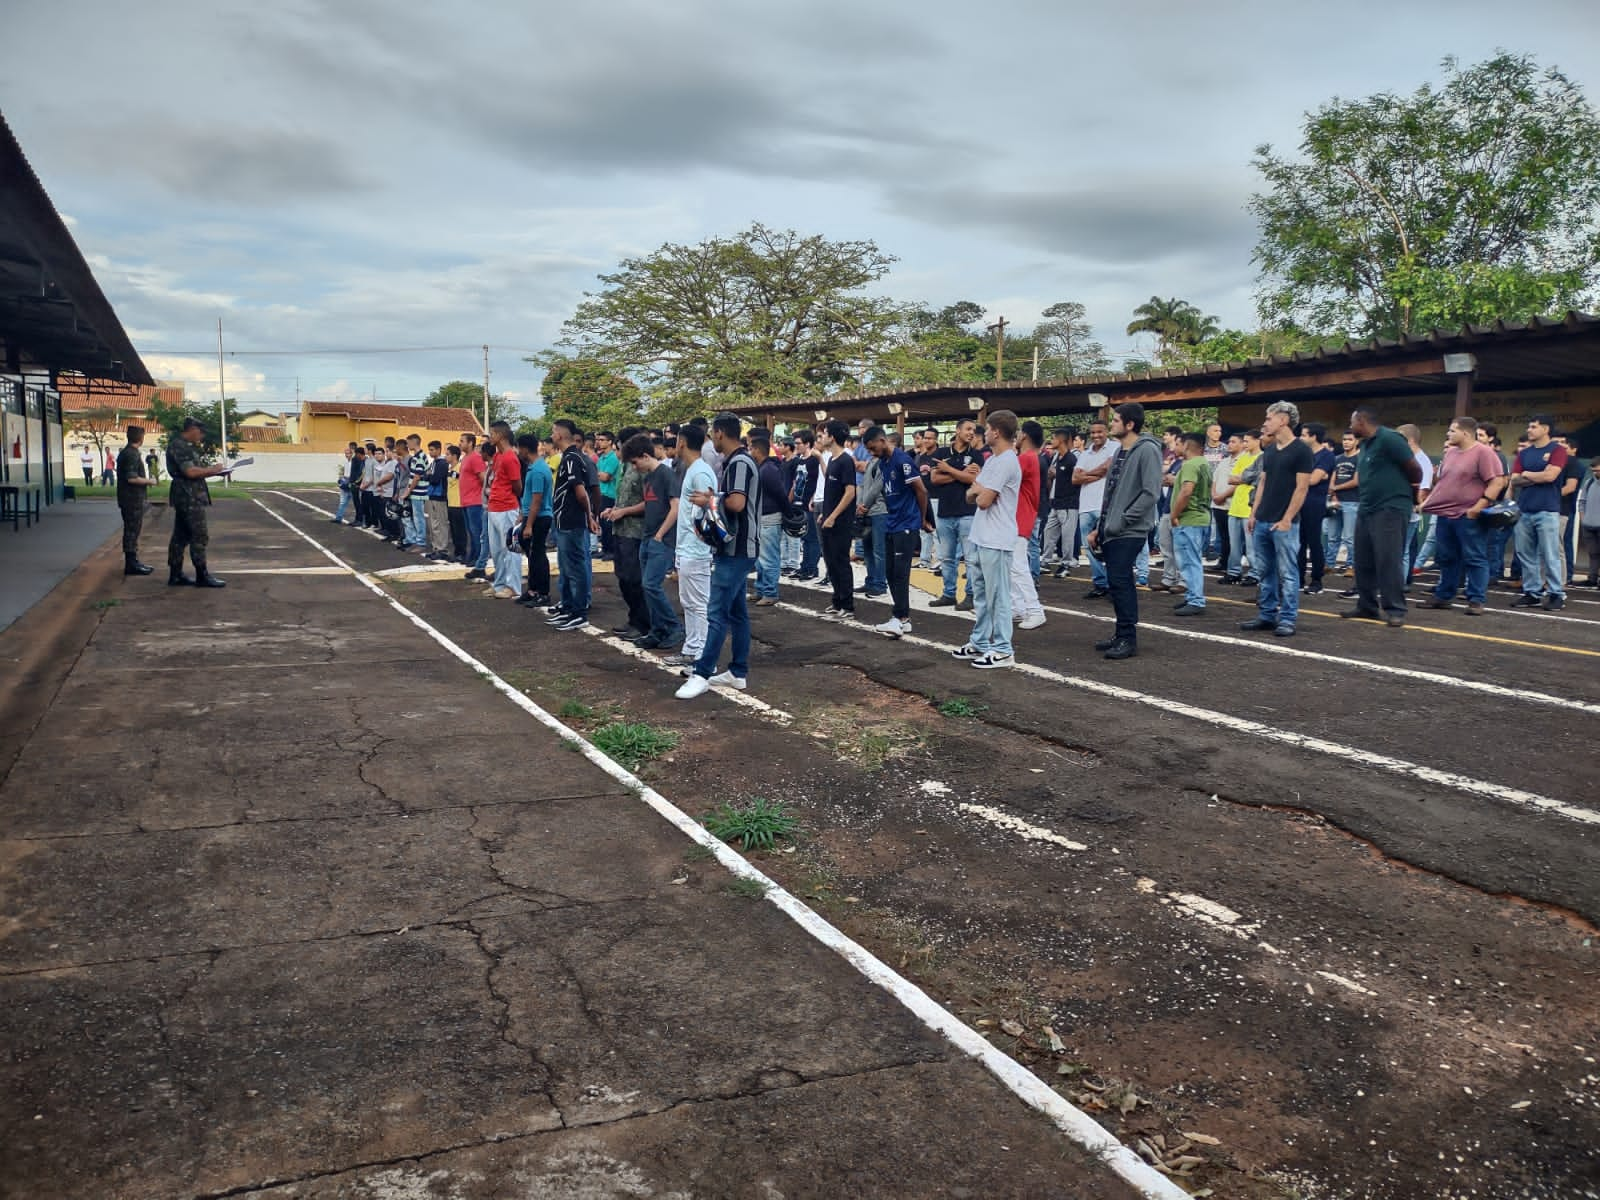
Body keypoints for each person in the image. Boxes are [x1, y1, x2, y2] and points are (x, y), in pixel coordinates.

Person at [677, 413, 761, 698]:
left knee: (716, 612)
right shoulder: (739, 461)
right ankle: (738, 672)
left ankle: (702, 672)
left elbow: (736, 503)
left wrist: (710, 499)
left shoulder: (739, 462)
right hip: (737, 547)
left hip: (737, 549)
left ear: (721, 433)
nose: (711, 438)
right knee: (737, 613)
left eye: (713, 433)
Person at [1088, 403, 1162, 660]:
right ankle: (1121, 634)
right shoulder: (1122, 451)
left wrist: (1122, 521)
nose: (1112, 424)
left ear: (1130, 424)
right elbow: (1111, 495)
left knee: (1121, 581)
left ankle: (1128, 638)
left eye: (1116, 420)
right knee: (1117, 583)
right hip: (1113, 527)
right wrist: (1101, 527)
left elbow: (1150, 493)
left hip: (1129, 530)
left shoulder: (1148, 451)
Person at [950, 409, 1021, 669]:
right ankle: (980, 641)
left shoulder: (1007, 462)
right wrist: (979, 490)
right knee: (980, 594)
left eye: (987, 429)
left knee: (998, 596)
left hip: (997, 538)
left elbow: (981, 500)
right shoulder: (992, 461)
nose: (983, 433)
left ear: (997, 432)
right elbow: (972, 493)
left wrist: (979, 490)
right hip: (981, 537)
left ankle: (1003, 648)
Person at [1341, 406, 1421, 627]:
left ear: (1363, 421)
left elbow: (1414, 468)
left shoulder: (1390, 438)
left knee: (1388, 559)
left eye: (1352, 422)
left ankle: (1395, 609)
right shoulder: (1366, 444)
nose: (1350, 426)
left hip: (1390, 508)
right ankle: (1366, 606)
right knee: (1363, 559)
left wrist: (1412, 492)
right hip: (1367, 507)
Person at [1239, 402, 1313, 638]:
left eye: (1269, 418)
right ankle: (1267, 615)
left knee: (1288, 573)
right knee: (1265, 571)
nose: (1265, 422)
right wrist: (1253, 514)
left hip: (1284, 524)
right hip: (1262, 520)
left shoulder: (1301, 450)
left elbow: (1302, 488)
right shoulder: (1269, 450)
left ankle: (1288, 618)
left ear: (1283, 420)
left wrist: (1287, 519)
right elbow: (1263, 482)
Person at [1418, 416, 1504, 616]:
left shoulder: (1484, 453)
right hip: (1445, 514)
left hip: (1468, 515)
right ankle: (1444, 596)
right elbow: (1443, 481)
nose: (1448, 434)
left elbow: (1497, 482)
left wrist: (1478, 507)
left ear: (1465, 433)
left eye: (1451, 431)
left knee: (1474, 557)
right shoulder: (1450, 454)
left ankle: (1476, 600)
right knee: (1447, 557)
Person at [864, 425, 931, 638]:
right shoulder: (883, 463)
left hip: (906, 524)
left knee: (901, 573)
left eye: (873, 447)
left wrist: (921, 518)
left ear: (882, 441)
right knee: (890, 571)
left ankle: (900, 617)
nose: (871, 452)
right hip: (892, 522)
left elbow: (921, 490)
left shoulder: (902, 461)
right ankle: (903, 618)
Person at [627, 434, 683, 650]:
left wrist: (660, 534)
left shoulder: (666, 474)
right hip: (648, 537)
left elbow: (675, 507)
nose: (634, 467)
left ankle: (674, 627)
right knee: (647, 586)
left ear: (645, 455)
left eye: (635, 462)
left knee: (651, 584)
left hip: (662, 539)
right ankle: (658, 629)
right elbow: (648, 504)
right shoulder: (649, 477)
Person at [668, 425, 717, 667]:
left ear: (682, 443)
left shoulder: (700, 472)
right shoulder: (693, 470)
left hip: (697, 549)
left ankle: (702, 654)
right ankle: (692, 648)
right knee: (689, 602)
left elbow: (710, 510)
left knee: (698, 603)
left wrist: (701, 544)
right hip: (687, 547)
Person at [1508, 414, 1569, 611]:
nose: (1529, 430)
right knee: (1526, 555)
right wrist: (1537, 476)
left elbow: (1551, 476)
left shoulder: (1558, 450)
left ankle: (1556, 594)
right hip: (1524, 510)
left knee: (1550, 555)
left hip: (1547, 510)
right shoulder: (1524, 454)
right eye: (1529, 426)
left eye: (1533, 426)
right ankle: (1532, 593)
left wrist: (1527, 474)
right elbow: (1515, 479)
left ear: (1545, 429)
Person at [599, 425, 652, 638]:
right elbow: (624, 498)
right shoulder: (626, 467)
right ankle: (634, 619)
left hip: (635, 531)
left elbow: (650, 502)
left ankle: (643, 623)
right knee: (623, 578)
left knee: (634, 579)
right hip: (620, 530)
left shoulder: (642, 469)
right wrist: (615, 510)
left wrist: (624, 512)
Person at [165, 417, 231, 588]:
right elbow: (191, 472)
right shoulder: (180, 446)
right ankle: (202, 575)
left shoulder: (184, 446)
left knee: (181, 536)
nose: (201, 436)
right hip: (189, 496)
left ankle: (176, 574)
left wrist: (215, 472)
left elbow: (195, 470)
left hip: (187, 495)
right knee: (199, 535)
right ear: (192, 429)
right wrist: (213, 470)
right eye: (200, 432)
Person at [547, 419, 600, 630]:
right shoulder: (569, 458)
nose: (551, 436)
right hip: (564, 520)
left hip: (571, 521)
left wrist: (589, 515)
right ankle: (569, 607)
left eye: (553, 432)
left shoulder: (571, 459)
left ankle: (579, 613)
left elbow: (580, 491)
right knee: (567, 567)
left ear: (559, 435)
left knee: (576, 567)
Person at [928, 420, 984, 610]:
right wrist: (961, 474)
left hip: (968, 513)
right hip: (945, 513)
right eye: (968, 429)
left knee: (971, 558)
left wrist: (949, 470)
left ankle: (970, 595)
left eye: (974, 431)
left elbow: (974, 479)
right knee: (947, 558)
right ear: (957, 430)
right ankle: (949, 594)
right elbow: (934, 479)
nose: (971, 433)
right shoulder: (941, 453)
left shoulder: (976, 455)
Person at [816, 420, 858, 620]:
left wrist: (833, 516)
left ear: (832, 437)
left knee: (841, 561)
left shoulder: (845, 460)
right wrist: (826, 513)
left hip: (841, 521)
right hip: (829, 518)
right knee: (830, 561)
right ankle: (837, 600)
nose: (821, 437)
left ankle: (847, 605)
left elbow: (850, 492)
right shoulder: (832, 460)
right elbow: (831, 490)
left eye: (824, 434)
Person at [1169, 432, 1212, 616]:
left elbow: (1186, 491)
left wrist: (1174, 514)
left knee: (1189, 561)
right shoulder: (1204, 464)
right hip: (1201, 516)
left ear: (1186, 445)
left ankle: (1195, 599)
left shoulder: (1191, 465)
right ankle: (1192, 596)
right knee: (1192, 560)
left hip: (1189, 518)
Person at [1010, 420, 1047, 630]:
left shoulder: (1026, 458)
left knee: (1018, 567)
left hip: (1020, 518)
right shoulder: (1029, 457)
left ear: (1024, 436)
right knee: (1012, 567)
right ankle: (1020, 607)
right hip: (1019, 517)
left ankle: (1034, 610)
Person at [1073, 420, 1116, 598]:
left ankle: (1115, 585)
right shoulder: (1086, 452)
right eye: (1093, 432)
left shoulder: (1115, 447)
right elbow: (1075, 479)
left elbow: (1109, 467)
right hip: (1085, 506)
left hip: (1103, 504)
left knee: (1109, 546)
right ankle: (1100, 583)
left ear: (1106, 432)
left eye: (1100, 432)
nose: (1096, 435)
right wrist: (1097, 474)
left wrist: (1086, 475)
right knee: (1089, 548)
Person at [482, 421, 523, 600]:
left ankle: (513, 586)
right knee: (497, 550)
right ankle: (499, 583)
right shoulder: (499, 456)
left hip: (507, 507)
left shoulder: (510, 457)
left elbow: (517, 485)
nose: (490, 436)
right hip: (495, 506)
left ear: (501, 435)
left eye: (492, 433)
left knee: (511, 549)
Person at [514, 434, 552, 607]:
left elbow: (537, 499)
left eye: (518, 448)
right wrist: (523, 516)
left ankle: (542, 593)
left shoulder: (537, 470)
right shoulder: (534, 467)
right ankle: (532, 590)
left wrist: (528, 524)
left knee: (538, 556)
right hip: (533, 516)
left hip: (539, 518)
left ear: (524, 449)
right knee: (532, 555)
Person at [1297, 423, 1335, 594]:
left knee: (1314, 542)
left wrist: (1311, 477)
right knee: (1298, 542)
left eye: (1304, 435)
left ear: (1314, 437)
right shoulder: (1302, 454)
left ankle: (1316, 580)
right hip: (1298, 502)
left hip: (1314, 503)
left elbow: (1313, 480)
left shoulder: (1326, 455)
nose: (1301, 438)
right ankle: (1298, 578)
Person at [115, 425, 157, 575]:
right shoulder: (131, 454)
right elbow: (132, 478)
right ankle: (131, 563)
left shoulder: (127, 452)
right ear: (141, 438)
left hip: (130, 498)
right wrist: (149, 481)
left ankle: (133, 561)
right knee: (132, 531)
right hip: (131, 499)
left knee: (133, 530)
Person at [751, 431, 787, 606]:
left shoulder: (768, 469)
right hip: (762, 516)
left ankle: (770, 592)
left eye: (751, 448)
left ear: (758, 450)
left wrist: (788, 512)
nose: (750, 452)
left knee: (769, 557)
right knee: (760, 558)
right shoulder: (763, 468)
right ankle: (761, 589)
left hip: (770, 517)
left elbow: (780, 494)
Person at [1225, 430, 1262, 586]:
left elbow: (1257, 480)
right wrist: (1246, 479)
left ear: (1257, 441)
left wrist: (1244, 478)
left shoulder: (1261, 458)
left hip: (1249, 508)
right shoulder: (1243, 458)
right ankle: (1234, 572)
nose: (1245, 444)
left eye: (1247, 441)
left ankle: (1255, 573)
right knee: (1234, 545)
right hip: (1235, 507)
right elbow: (1231, 479)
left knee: (1251, 546)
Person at [1041, 426, 1078, 577]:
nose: (1052, 441)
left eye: (1054, 438)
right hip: (1056, 502)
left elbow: (1076, 479)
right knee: (1049, 532)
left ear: (1061, 440)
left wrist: (1057, 474)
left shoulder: (1071, 459)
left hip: (1069, 503)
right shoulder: (1057, 457)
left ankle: (1066, 564)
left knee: (1067, 536)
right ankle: (1045, 560)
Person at [1324, 430, 1360, 574]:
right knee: (1332, 536)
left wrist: (1335, 488)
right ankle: (1329, 564)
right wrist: (1333, 494)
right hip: (1336, 501)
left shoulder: (1360, 458)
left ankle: (1352, 566)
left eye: (1350, 439)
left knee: (1349, 538)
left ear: (1356, 441)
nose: (1346, 442)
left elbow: (1356, 481)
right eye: (1344, 439)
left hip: (1353, 502)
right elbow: (1333, 477)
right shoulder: (1337, 459)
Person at [1210, 433, 1241, 582]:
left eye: (1233, 442)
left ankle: (1231, 564)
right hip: (1217, 504)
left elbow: (1238, 483)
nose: (1229, 444)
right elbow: (1214, 480)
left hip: (1231, 504)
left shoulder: (1243, 461)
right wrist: (1215, 494)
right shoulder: (1224, 461)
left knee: (1232, 538)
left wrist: (1222, 496)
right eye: (1229, 442)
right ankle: (1223, 561)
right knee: (1222, 536)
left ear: (1242, 444)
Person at [459, 433, 488, 581]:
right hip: (466, 501)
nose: (460, 443)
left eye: (462, 441)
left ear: (470, 443)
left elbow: (483, 478)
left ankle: (478, 558)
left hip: (475, 501)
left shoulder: (476, 458)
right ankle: (473, 555)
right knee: (471, 530)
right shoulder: (465, 458)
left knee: (477, 531)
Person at [423, 441, 451, 560]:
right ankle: (436, 547)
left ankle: (442, 548)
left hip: (440, 496)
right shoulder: (433, 463)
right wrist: (428, 475)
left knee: (441, 523)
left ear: (439, 450)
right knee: (433, 523)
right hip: (431, 495)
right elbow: (425, 475)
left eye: (433, 450)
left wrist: (429, 475)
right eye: (429, 450)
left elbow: (434, 479)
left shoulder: (442, 463)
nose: (431, 452)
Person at [594, 431, 620, 560]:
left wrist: (596, 472)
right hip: (601, 493)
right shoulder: (601, 457)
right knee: (603, 524)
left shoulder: (613, 458)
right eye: (598, 439)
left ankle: (611, 550)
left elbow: (605, 477)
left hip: (610, 494)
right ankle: (605, 548)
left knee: (608, 524)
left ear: (610, 442)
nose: (599, 442)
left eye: (602, 439)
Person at [1578, 457, 1600, 588]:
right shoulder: (1589, 482)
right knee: (1593, 554)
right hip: (1589, 525)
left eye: (1597, 470)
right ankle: (1592, 579)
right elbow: (1582, 502)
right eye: (1593, 470)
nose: (1595, 473)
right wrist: (1583, 519)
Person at [444, 445, 467, 560]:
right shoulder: (450, 468)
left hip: (459, 503)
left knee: (460, 530)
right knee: (453, 530)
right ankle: (457, 552)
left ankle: (462, 553)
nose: (446, 456)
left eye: (447, 454)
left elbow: (463, 478)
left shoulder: (460, 467)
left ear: (454, 456)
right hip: (451, 503)